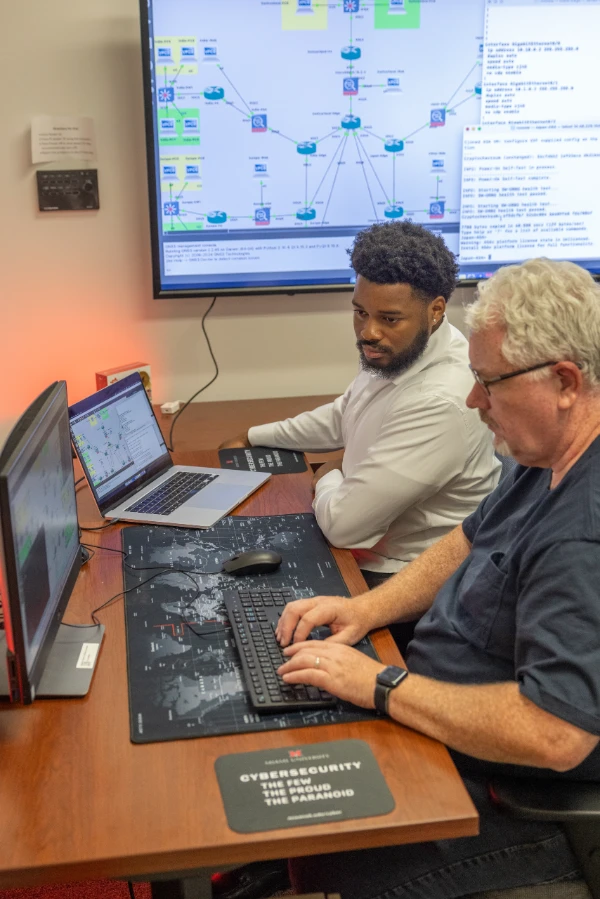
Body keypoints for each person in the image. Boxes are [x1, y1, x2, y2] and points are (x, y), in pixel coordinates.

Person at [273, 257, 600, 899]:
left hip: (515, 801)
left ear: (564, 380)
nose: (474, 401)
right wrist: (366, 611)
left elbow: (554, 731)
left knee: (319, 841)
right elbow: (467, 538)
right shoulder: (545, 453)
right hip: (439, 718)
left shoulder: (582, 531)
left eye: (489, 383)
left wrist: (382, 683)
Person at [220, 221, 499, 591]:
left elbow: (343, 528)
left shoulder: (441, 401)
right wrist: (254, 436)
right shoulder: (402, 349)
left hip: (402, 573)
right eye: (360, 312)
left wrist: (330, 475)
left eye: (389, 318)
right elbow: (347, 412)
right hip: (359, 529)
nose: (368, 331)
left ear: (435, 310)